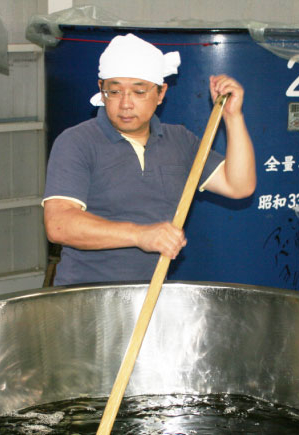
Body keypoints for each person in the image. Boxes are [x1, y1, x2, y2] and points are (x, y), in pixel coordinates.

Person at [43, 33, 256, 286]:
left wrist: (233, 117)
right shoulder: (77, 141)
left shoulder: (179, 141)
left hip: (151, 294)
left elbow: (239, 185)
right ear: (101, 89)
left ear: (161, 92)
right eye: (114, 91)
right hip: (86, 295)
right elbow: (59, 224)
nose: (125, 104)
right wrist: (139, 235)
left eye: (139, 92)